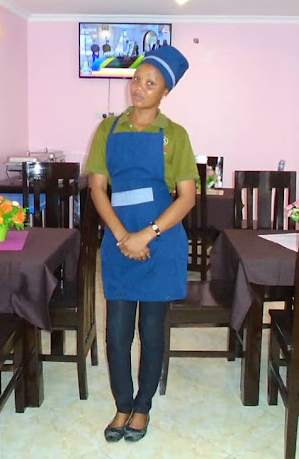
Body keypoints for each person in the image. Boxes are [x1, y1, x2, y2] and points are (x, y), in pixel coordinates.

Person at [85, 45, 198, 443]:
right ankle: (122, 404)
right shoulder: (108, 130)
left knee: (151, 332)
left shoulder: (175, 135)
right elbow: (97, 189)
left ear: (165, 92)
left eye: (151, 83)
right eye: (136, 79)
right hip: (119, 241)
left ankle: (143, 406)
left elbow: (187, 197)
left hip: (160, 241)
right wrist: (122, 236)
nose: (139, 87)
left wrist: (145, 234)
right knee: (117, 333)